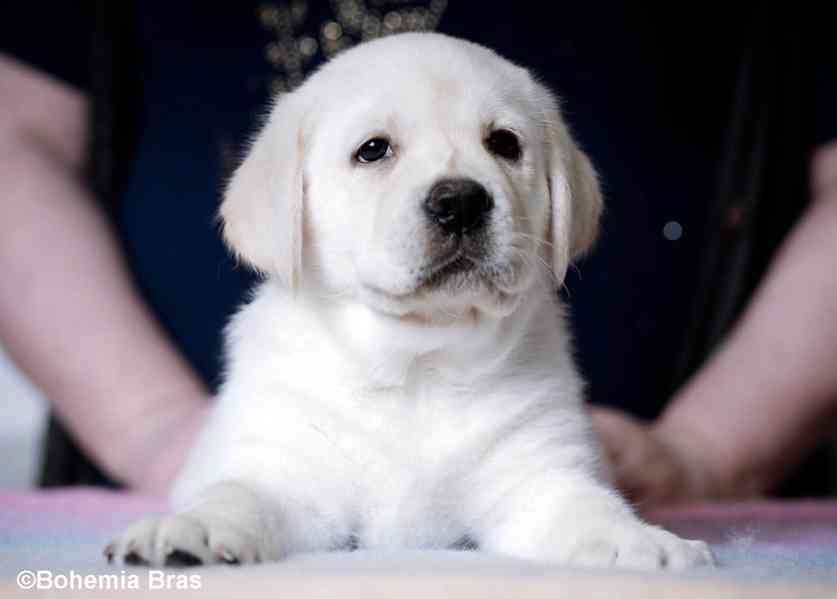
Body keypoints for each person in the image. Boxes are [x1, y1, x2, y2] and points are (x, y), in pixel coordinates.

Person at [0, 1, 834, 503]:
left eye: (502, 144)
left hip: (681, 488)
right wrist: (155, 433)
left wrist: (707, 449)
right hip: (186, 473)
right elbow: (12, 137)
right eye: (376, 151)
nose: (455, 189)